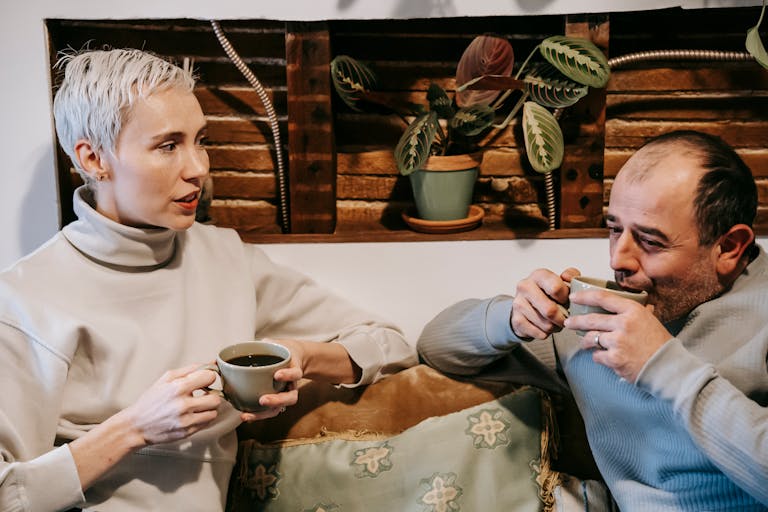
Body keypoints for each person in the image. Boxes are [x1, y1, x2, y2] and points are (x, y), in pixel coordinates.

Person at [0, 48, 417, 511]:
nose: (199, 167)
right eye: (168, 145)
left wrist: (303, 355)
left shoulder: (226, 259)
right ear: (94, 158)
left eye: (201, 140)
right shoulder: (25, 297)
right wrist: (135, 428)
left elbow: (391, 344)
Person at [417, 130, 768, 511]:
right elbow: (434, 349)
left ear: (729, 247)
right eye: (615, 229)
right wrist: (512, 319)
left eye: (650, 241)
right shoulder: (594, 318)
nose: (619, 259)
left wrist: (663, 365)